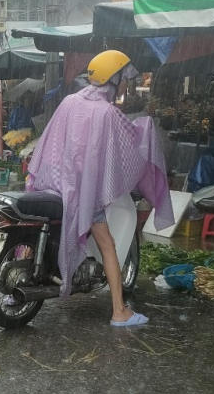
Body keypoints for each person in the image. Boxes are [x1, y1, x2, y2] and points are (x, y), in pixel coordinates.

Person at [25, 50, 173, 327]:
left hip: (51, 183)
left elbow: (51, 140)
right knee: (108, 245)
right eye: (125, 78)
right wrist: (147, 128)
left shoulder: (69, 101)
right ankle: (119, 311)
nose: (127, 84)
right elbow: (129, 147)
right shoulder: (107, 113)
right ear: (113, 78)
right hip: (82, 193)